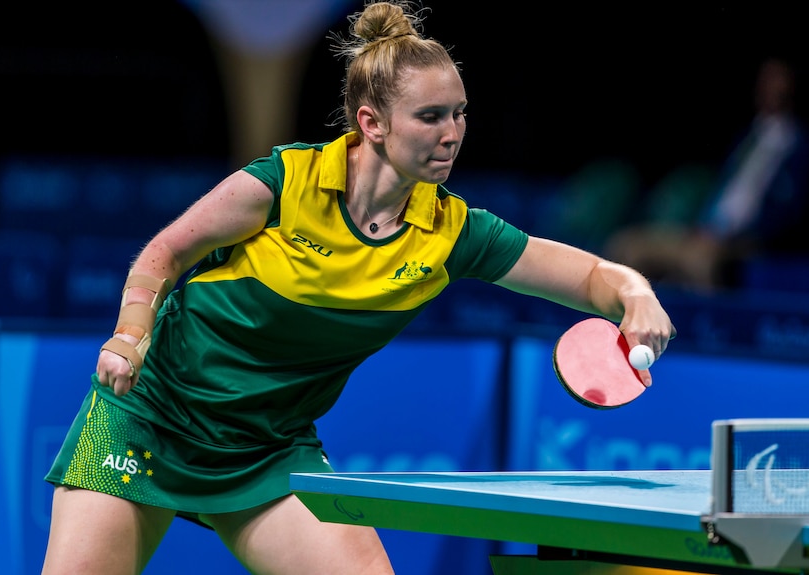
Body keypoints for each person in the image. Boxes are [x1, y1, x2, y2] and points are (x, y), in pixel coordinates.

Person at [41, 2, 676, 574]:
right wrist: (130, 333)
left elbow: (592, 277)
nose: (452, 133)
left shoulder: (451, 233)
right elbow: (166, 252)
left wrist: (636, 294)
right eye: (430, 117)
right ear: (371, 123)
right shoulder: (286, 182)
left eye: (459, 113)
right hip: (149, 417)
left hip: (268, 449)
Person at [604, 57, 809, 291]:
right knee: (627, 245)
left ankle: (706, 325)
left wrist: (735, 237)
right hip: (704, 230)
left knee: (698, 261)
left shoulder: (798, 146)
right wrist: (703, 225)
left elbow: (788, 214)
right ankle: (626, 322)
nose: (768, 87)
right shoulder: (746, 138)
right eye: (765, 79)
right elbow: (723, 192)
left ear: (792, 86)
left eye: (777, 79)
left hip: (745, 241)